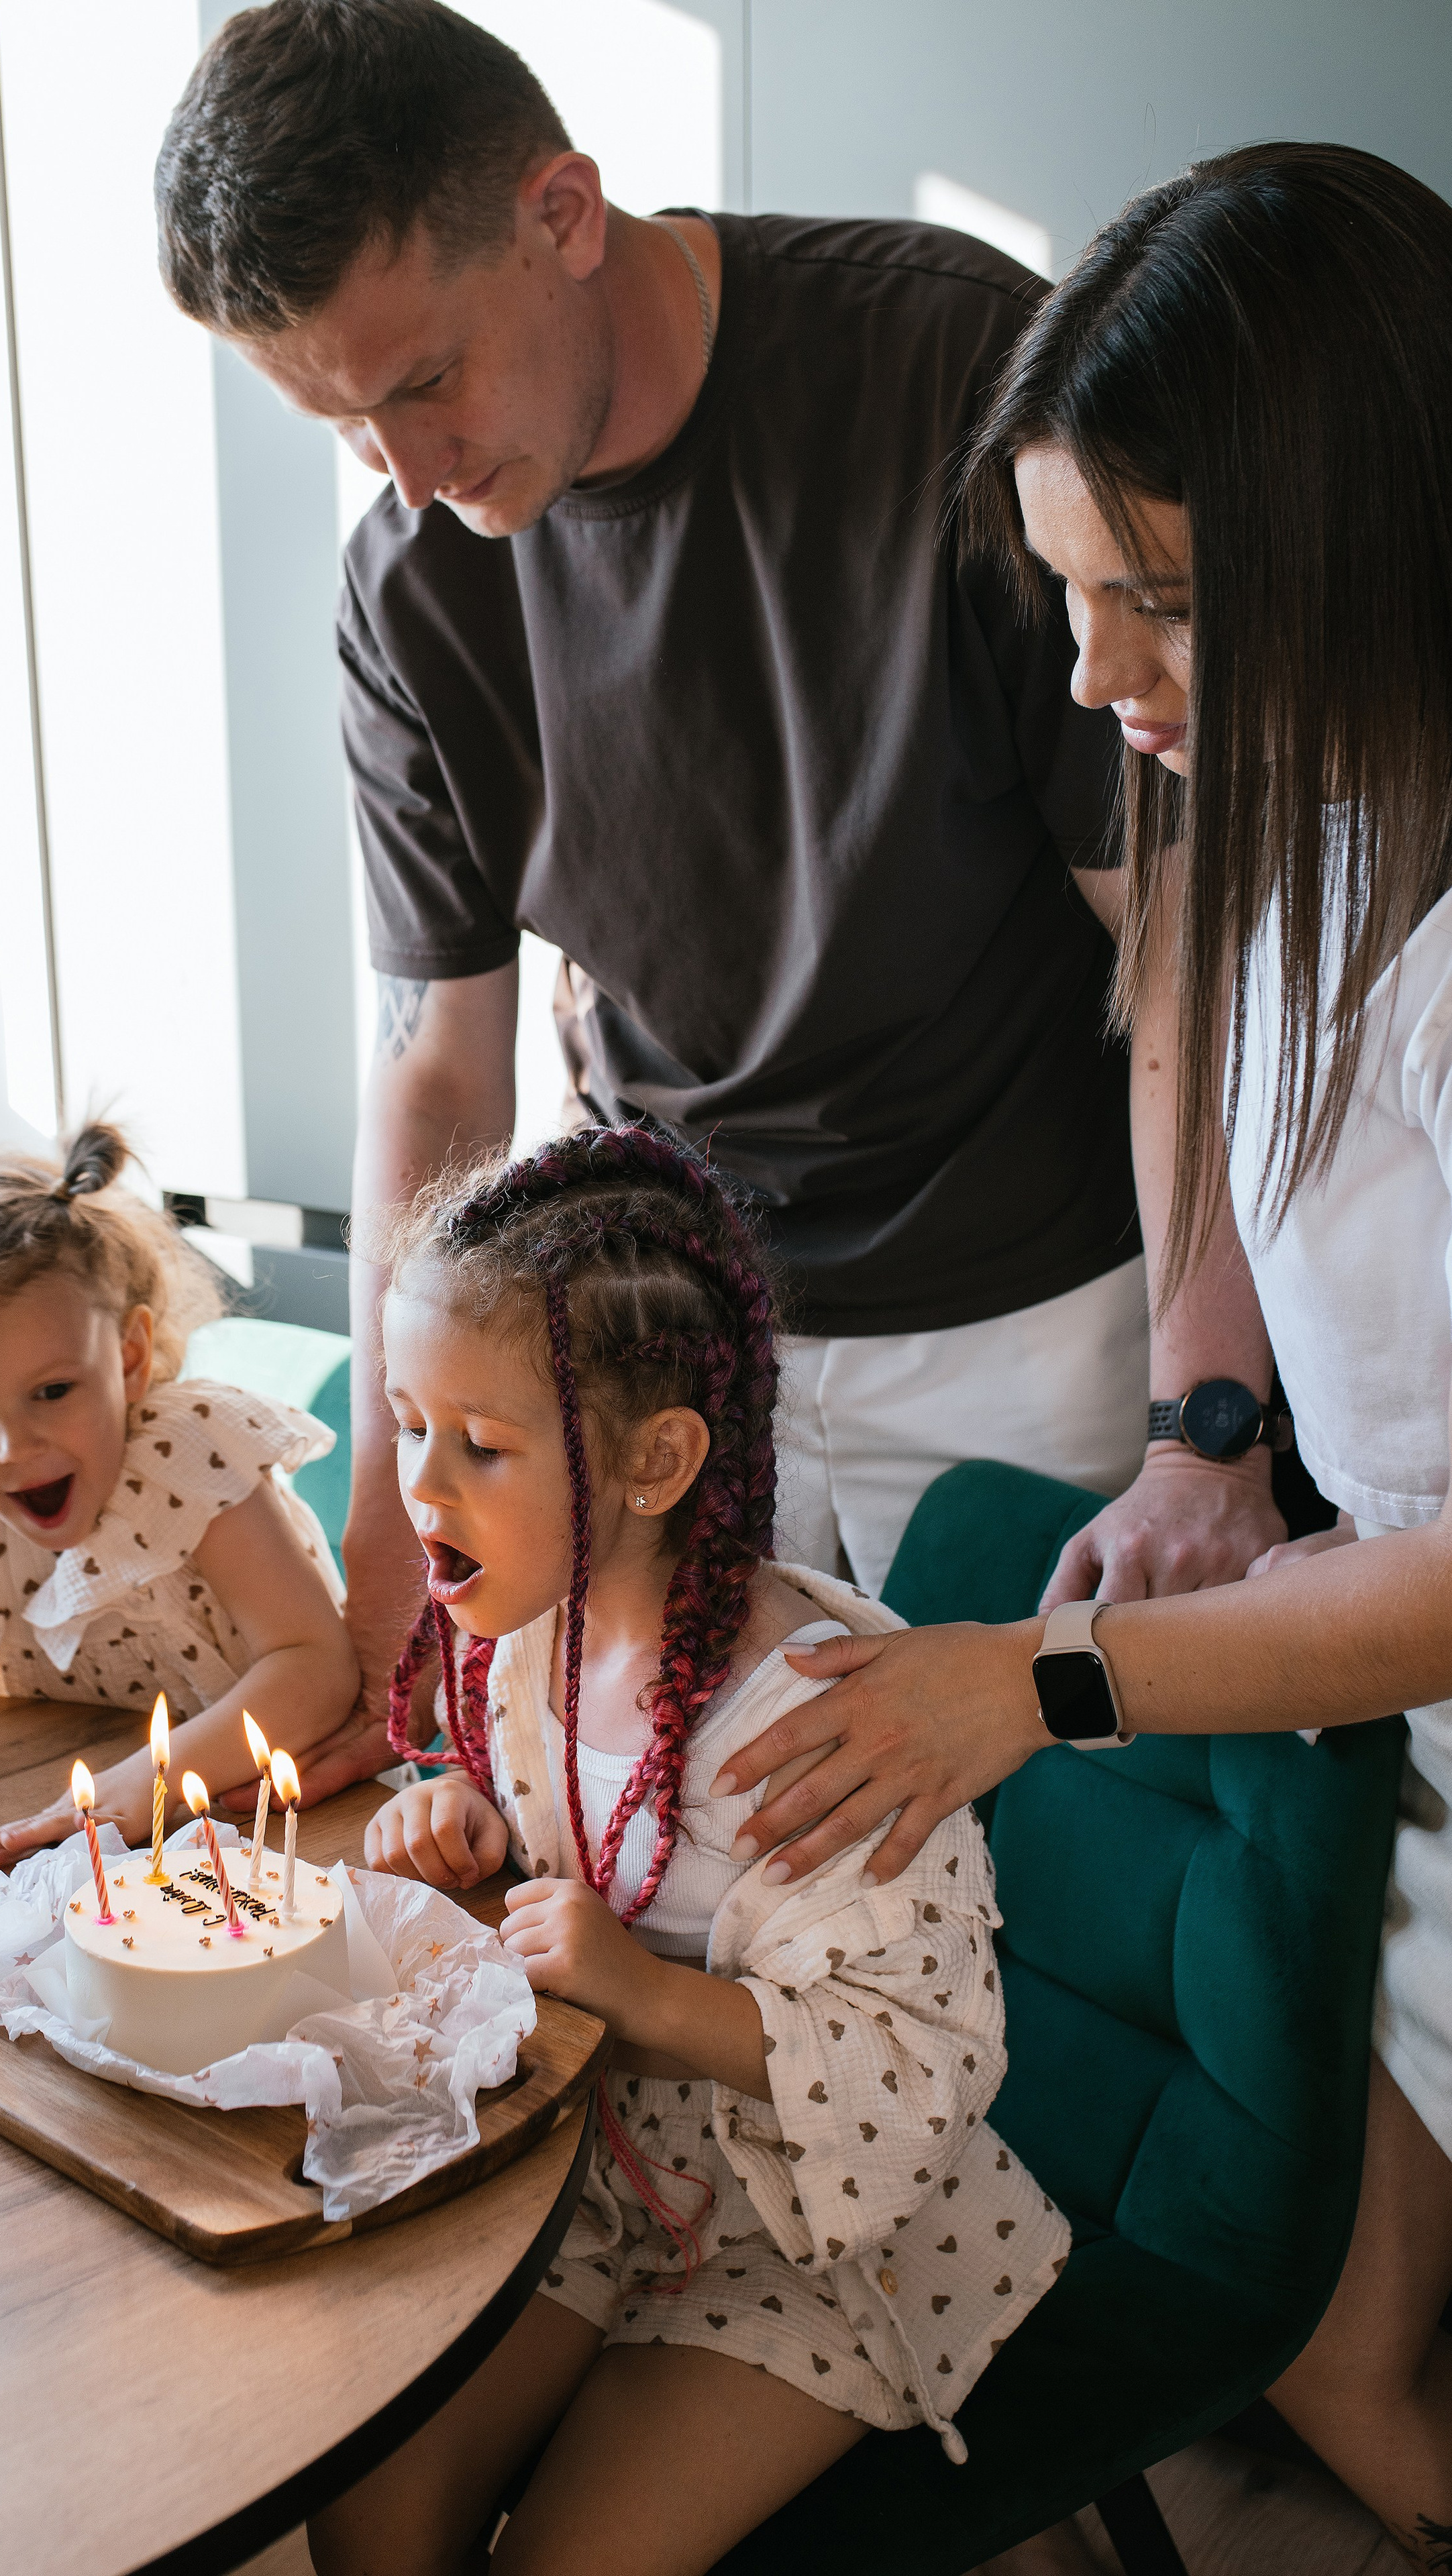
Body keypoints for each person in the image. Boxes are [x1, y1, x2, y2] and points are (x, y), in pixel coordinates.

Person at [152, 0, 1242, 1780]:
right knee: (699, 1888)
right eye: (343, 427)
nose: (409, 478)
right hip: (665, 1344)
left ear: (564, 215)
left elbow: (1177, 949)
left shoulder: (949, 372)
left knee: (1018, 1922)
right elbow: (440, 1058)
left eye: (423, 381)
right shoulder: (413, 582)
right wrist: (379, 1546)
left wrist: (1207, 1420)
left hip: (1021, 1313)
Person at [698, 144, 1452, 2569]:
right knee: (1333, 2331)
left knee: (1339, 2332)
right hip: (1368, 1634)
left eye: (1153, 606)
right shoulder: (1266, 773)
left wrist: (1024, 1691)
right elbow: (1206, 1053)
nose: (1087, 680)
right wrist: (1205, 1418)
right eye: (1058, 596)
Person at [310, 1124, 1066, 2576]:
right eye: (408, 1422)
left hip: (813, 2242)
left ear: (655, 1461)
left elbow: (923, 2065)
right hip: (588, 2175)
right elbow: (567, 1841)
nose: (422, 1485)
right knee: (369, 2514)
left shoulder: (821, 1722)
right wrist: (471, 1827)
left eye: (479, 1444)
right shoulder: (524, 1624)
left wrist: (641, 1995)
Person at [0, 1124, 360, 1862]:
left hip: (236, 1821)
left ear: (129, 1358)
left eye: (52, 1391)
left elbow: (314, 1665)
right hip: (27, 1812)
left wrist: (147, 1780)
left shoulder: (189, 1461)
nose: (13, 1446)